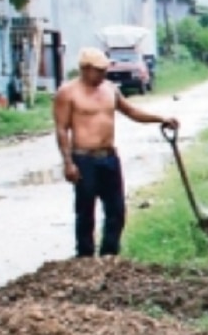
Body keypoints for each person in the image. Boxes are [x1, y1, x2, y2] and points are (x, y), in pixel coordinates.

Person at [53, 47, 178, 258]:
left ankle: (109, 254)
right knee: (85, 211)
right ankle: (84, 257)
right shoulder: (68, 92)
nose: (103, 75)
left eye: (104, 70)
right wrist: (68, 162)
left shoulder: (110, 89)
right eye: (98, 71)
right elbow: (61, 129)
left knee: (117, 210)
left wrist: (161, 118)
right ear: (85, 69)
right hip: (84, 158)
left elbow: (131, 111)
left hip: (109, 158)